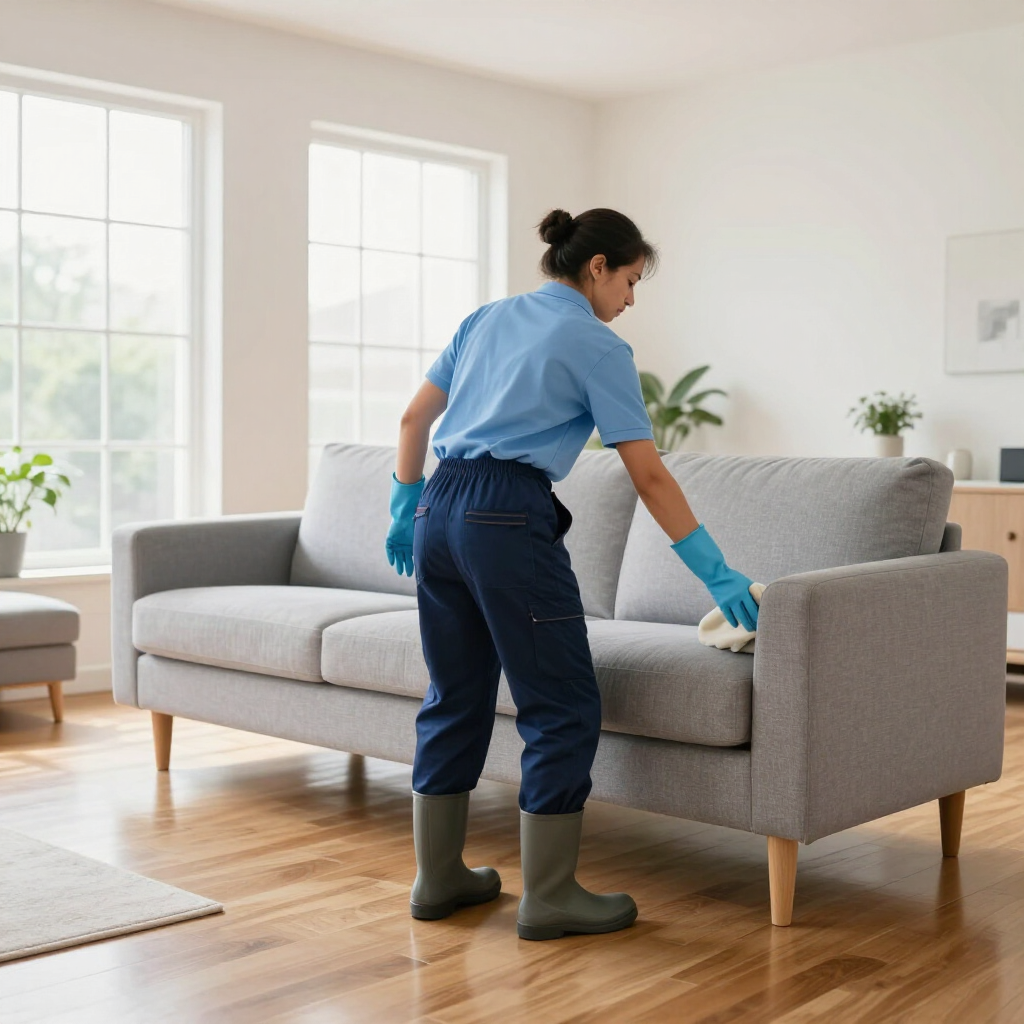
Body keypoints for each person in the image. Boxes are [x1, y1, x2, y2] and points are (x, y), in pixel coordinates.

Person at [385, 208, 759, 941]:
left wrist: (405, 503)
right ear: (597, 269)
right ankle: (550, 894)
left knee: (453, 694)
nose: (630, 298)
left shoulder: (482, 319)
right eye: (630, 280)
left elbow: (411, 422)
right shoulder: (597, 345)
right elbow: (647, 475)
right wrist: (717, 574)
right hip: (504, 518)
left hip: (438, 508)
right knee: (560, 704)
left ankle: (437, 878)